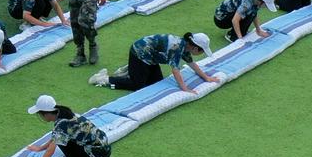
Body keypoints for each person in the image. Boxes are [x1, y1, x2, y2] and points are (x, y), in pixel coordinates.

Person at [91, 30, 221, 93]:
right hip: (139, 53)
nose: (201, 53)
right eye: (202, 51)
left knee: (156, 82)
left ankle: (132, 70)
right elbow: (175, 71)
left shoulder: (185, 47)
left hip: (151, 58)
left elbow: (192, 64)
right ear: (195, 47)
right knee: (138, 86)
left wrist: (206, 78)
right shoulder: (177, 47)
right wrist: (185, 89)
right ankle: (104, 79)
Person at [23, 95, 113, 157]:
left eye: (40, 114)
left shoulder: (61, 124)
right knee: (61, 138)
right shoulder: (68, 114)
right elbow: (55, 137)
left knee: (63, 143)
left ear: (46, 114)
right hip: (105, 150)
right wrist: (40, 148)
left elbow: (52, 147)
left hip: (97, 155)